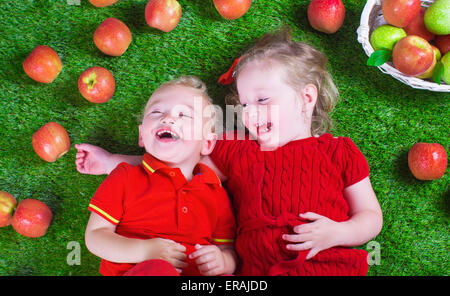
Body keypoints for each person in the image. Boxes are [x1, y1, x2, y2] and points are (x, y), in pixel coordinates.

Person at [76, 28, 383, 276]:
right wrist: (113, 162)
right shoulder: (236, 153)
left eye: (262, 100)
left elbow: (370, 216)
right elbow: (180, 156)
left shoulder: (339, 151)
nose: (250, 114)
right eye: (244, 105)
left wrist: (338, 233)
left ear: (306, 98)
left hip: (329, 267)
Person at [83, 76, 237, 276]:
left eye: (184, 114)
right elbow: (95, 237)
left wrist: (223, 261)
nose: (168, 118)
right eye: (156, 112)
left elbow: (229, 250)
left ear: (207, 143)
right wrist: (146, 251)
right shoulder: (125, 177)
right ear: (141, 135)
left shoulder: (215, 192)